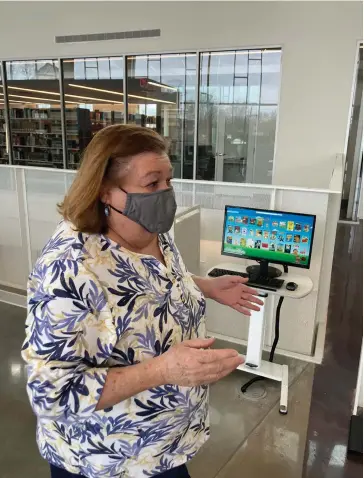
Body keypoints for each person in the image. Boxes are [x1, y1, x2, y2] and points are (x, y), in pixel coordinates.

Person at [22, 125, 263, 478]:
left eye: (168, 181)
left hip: (163, 444)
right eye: (152, 184)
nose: (166, 193)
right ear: (106, 191)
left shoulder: (151, 228)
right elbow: (51, 393)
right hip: (107, 459)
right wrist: (164, 370)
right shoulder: (70, 268)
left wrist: (204, 286)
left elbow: (144, 283)